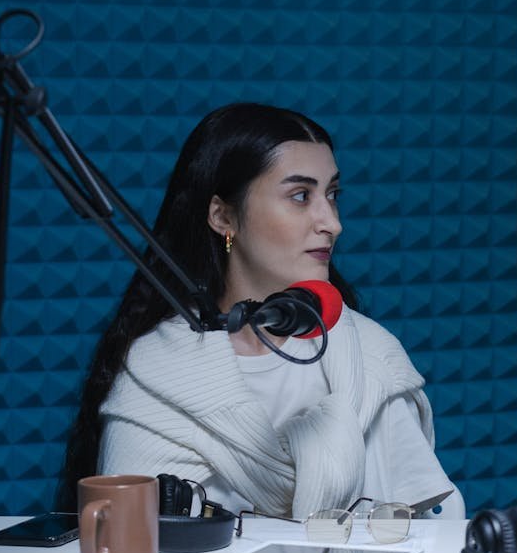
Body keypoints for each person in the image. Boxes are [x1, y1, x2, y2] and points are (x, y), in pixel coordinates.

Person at [59, 103, 464, 520]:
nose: (331, 222)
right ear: (223, 216)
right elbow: (127, 538)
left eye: (332, 195)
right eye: (300, 196)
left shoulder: (372, 356)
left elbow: (428, 532)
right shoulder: (156, 372)